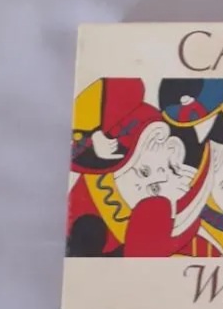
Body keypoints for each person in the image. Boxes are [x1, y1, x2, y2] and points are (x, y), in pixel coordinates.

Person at [67, 77, 195, 257]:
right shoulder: (90, 210)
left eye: (156, 188)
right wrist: (93, 137)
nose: (144, 187)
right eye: (144, 171)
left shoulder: (147, 220)